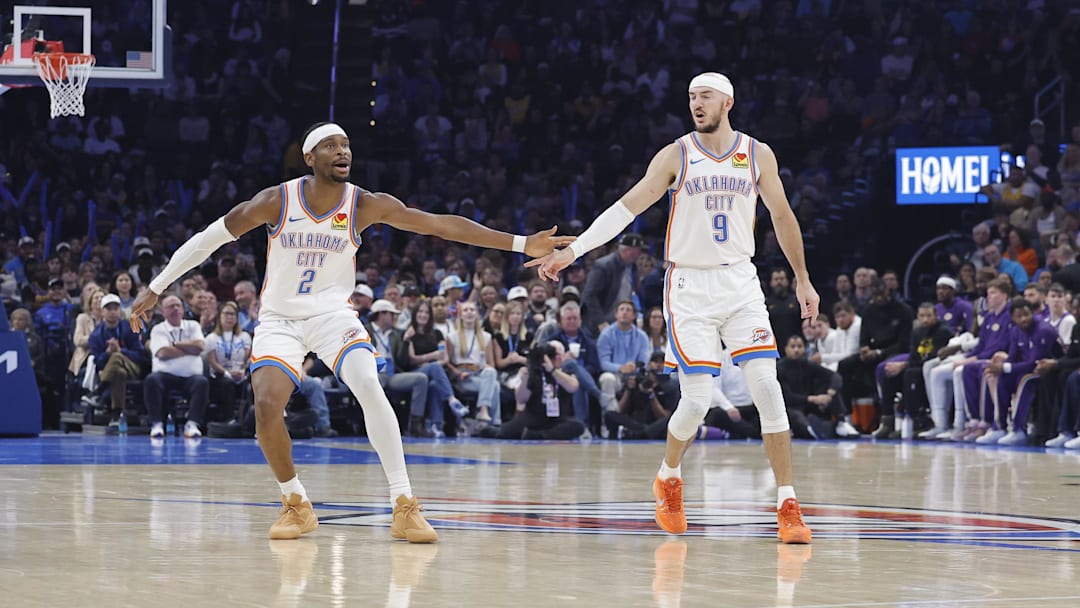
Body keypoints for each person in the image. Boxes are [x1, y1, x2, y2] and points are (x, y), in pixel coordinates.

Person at [130, 121, 571, 542]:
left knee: (368, 385)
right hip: (280, 319)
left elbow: (440, 224)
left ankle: (404, 503)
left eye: (346, 145)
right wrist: (155, 286)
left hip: (333, 317)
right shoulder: (276, 201)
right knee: (265, 407)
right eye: (331, 145)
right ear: (309, 156)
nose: (343, 151)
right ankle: (296, 503)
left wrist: (519, 243)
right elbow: (209, 238)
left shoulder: (363, 203)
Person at [529, 73, 817, 544]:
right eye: (690, 97)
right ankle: (668, 476)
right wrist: (573, 251)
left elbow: (783, 217)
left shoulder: (757, 153)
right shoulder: (676, 154)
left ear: (728, 100)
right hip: (689, 285)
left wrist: (803, 279)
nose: (696, 104)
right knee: (698, 400)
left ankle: (787, 502)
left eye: (704, 96)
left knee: (767, 386)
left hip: (740, 279)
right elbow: (626, 209)